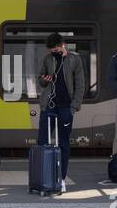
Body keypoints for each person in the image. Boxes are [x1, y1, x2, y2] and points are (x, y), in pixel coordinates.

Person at [36, 32, 85, 190]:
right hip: (48, 105)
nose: (53, 52)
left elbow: (80, 84)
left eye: (55, 49)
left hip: (66, 107)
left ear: (62, 45)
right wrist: (45, 79)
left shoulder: (74, 59)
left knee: (64, 143)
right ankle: (42, 178)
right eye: (50, 50)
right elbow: (40, 80)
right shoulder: (47, 59)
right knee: (43, 142)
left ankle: (61, 178)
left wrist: (74, 106)